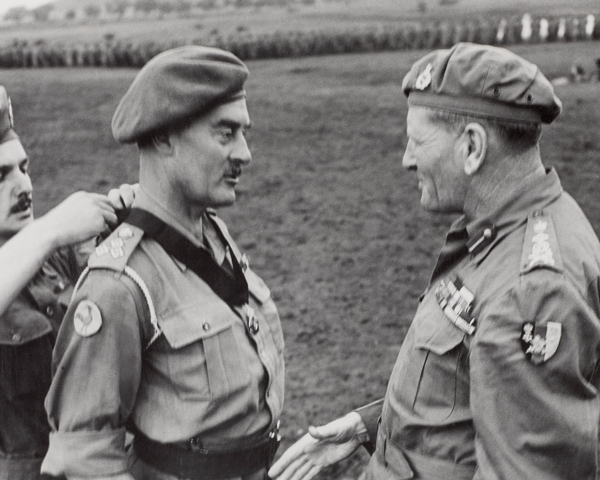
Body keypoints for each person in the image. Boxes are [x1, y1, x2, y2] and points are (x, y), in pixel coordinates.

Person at [268, 42, 600, 480]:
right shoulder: (503, 229)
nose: (407, 160)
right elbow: (470, 390)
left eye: (417, 142)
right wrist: (374, 423)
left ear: (472, 147)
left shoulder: (530, 288)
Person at [41, 46, 285, 480]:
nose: (245, 153)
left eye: (244, 133)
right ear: (163, 138)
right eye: (226, 133)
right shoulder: (118, 285)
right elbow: (82, 459)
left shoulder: (212, 234)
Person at [0, 85, 134, 480]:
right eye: (0, 175)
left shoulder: (54, 257)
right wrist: (49, 229)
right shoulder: (47, 239)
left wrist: (126, 223)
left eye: (24, 168)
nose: (24, 186)